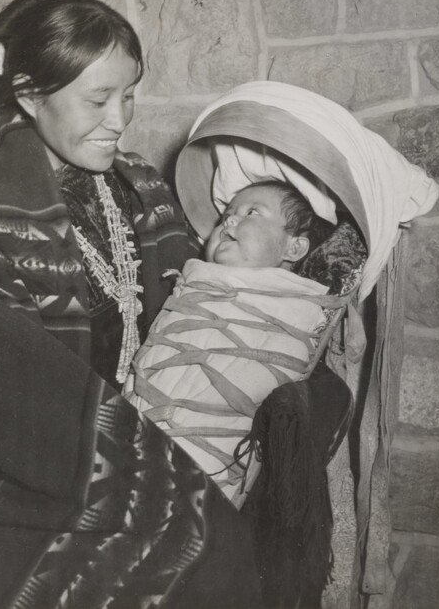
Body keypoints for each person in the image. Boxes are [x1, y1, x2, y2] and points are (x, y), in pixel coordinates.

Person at [0, 0, 262, 609]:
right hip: (34, 479)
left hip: (153, 431)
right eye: (98, 99)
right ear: (29, 94)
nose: (119, 119)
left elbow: (198, 305)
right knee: (209, 543)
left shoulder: (140, 186)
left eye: (128, 95)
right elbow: (14, 408)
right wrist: (167, 469)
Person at [125, 178, 336, 498]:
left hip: (199, 469)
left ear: (293, 248)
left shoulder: (292, 313)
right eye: (226, 216)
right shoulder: (192, 287)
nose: (231, 220)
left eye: (252, 212)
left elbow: (270, 376)